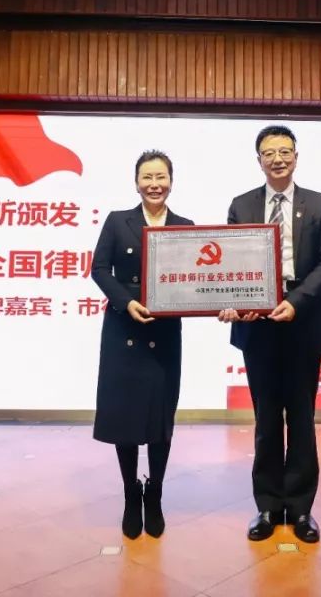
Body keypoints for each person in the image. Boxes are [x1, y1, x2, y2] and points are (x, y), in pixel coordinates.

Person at [219, 125, 321, 544]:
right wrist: (235, 301)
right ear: (258, 160)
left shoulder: (320, 204)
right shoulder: (241, 205)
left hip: (303, 320)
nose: (277, 159)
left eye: (285, 151)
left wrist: (297, 301)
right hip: (258, 324)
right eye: (269, 153)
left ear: (296, 156)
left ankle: (302, 509)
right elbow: (231, 263)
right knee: (266, 418)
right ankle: (269, 507)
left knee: (302, 418)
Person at [91, 150, 193, 539]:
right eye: (147, 177)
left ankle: (156, 493)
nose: (154, 184)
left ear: (171, 182)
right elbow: (99, 269)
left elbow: (197, 278)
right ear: (136, 183)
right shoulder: (118, 221)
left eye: (161, 177)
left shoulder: (185, 227)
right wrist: (126, 301)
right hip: (124, 329)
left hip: (164, 333)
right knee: (126, 417)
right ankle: (131, 494)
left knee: (160, 418)